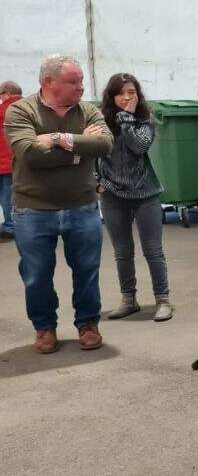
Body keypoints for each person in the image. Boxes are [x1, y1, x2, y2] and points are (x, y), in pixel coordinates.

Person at [4, 54, 113, 353]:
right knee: (36, 275)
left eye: (80, 81)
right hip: (33, 210)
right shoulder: (21, 111)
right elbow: (29, 154)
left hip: (82, 206)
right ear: (48, 82)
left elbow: (104, 145)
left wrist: (56, 139)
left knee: (87, 270)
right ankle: (44, 328)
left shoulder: (88, 110)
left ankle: (88, 324)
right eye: (73, 81)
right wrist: (79, 145)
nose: (81, 86)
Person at [97, 73, 172, 322]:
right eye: (121, 93)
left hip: (145, 194)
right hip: (112, 195)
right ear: (112, 96)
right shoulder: (101, 120)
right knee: (122, 251)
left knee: (153, 250)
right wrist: (98, 182)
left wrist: (127, 118)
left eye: (131, 92)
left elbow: (139, 147)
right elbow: (90, 153)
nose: (127, 97)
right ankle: (128, 299)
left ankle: (163, 300)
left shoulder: (144, 120)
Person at [0, 81, 23, 241]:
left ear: (7, 93)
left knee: (7, 196)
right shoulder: (30, 107)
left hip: (4, 163)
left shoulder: (2, 110)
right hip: (23, 160)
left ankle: (10, 226)